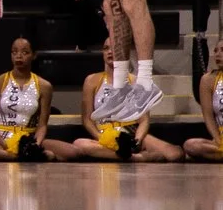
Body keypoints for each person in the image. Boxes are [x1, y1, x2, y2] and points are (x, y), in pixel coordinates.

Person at [50, 50, 185, 162]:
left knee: (174, 154)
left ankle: (128, 153)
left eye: (114, 48)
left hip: (131, 131)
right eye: (106, 48)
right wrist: (101, 138)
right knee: (80, 144)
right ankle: (135, 158)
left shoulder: (137, 81)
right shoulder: (92, 81)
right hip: (105, 134)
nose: (110, 51)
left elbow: (144, 120)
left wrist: (136, 140)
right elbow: (87, 120)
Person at [185, 64, 223, 161]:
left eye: (222, 50)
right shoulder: (208, 79)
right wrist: (218, 141)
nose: (218, 54)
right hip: (221, 139)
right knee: (191, 145)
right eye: (216, 50)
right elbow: (208, 117)